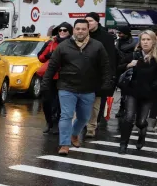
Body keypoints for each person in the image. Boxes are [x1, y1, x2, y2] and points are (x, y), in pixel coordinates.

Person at [42, 18, 113, 156]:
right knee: (66, 116)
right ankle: (64, 144)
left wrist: (106, 83)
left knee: (84, 117)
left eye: (83, 29)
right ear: (74, 30)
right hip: (66, 87)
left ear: (88, 30)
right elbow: (52, 67)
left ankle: (74, 134)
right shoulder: (63, 46)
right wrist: (45, 84)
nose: (80, 31)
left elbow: (105, 67)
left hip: (88, 89)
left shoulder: (97, 46)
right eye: (78, 28)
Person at [118, 30, 157, 154]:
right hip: (132, 90)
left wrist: (155, 85)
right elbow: (118, 67)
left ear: (154, 41)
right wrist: (128, 65)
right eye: (143, 39)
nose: (145, 42)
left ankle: (142, 132)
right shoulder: (135, 55)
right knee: (128, 117)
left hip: (148, 93)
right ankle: (123, 144)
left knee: (140, 121)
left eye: (148, 39)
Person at [84, 13, 118, 136]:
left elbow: (110, 58)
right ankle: (84, 122)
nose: (88, 23)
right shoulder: (82, 34)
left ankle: (93, 125)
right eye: (86, 21)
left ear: (97, 22)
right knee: (84, 100)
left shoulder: (106, 38)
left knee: (97, 102)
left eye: (91, 21)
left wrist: (110, 76)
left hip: (100, 75)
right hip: (84, 74)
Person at [37, 22, 72, 135]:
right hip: (49, 76)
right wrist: (49, 55)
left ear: (69, 32)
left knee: (60, 103)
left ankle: (57, 124)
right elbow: (41, 57)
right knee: (47, 101)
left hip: (64, 77)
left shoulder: (72, 43)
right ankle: (49, 123)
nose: (62, 32)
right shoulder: (51, 42)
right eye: (60, 30)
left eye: (65, 30)